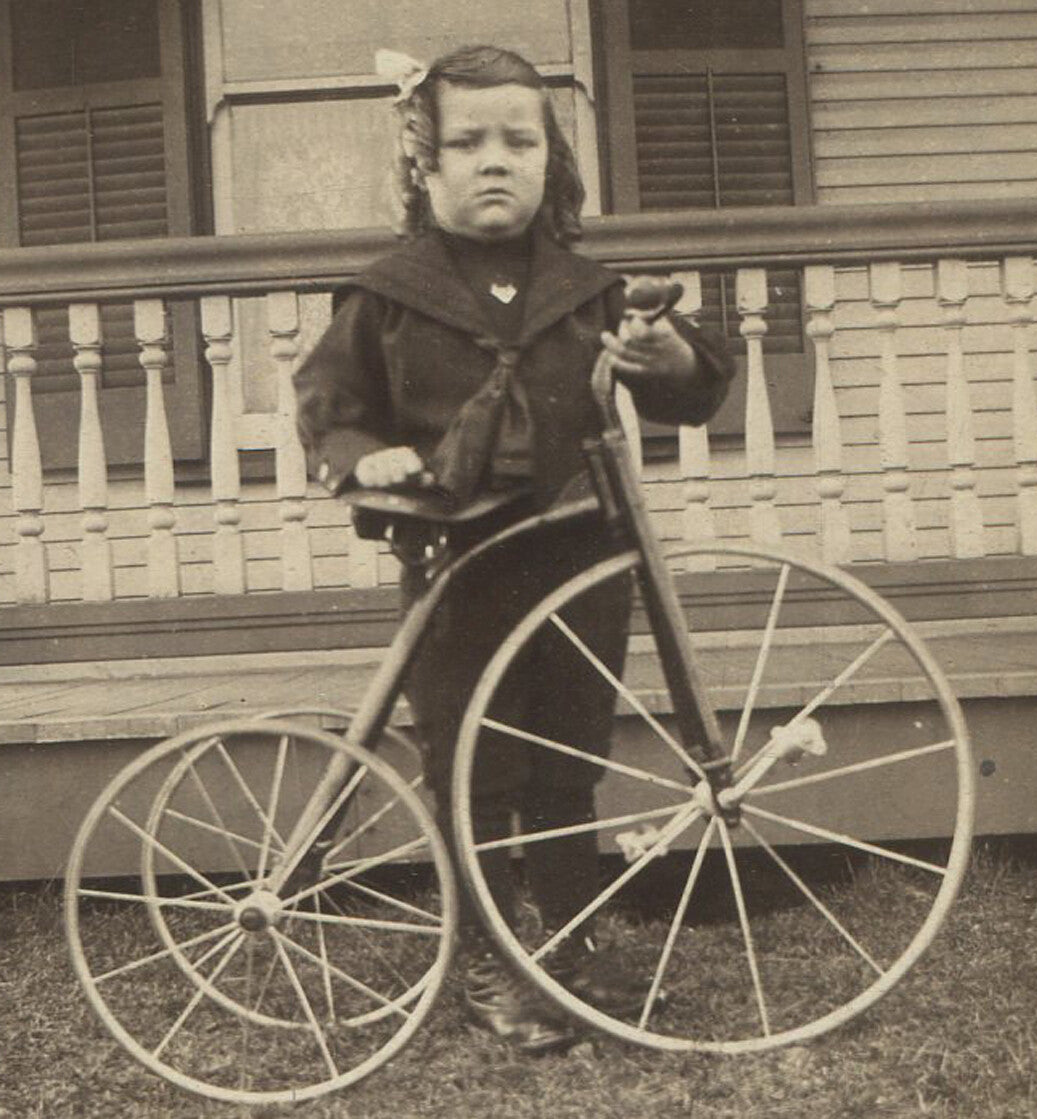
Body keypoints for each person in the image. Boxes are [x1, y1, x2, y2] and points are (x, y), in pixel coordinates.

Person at [294, 44, 734, 1054]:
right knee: (474, 767)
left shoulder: (588, 290)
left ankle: (568, 958)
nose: (495, 161)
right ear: (425, 163)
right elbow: (330, 405)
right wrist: (365, 462)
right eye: (468, 141)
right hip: (459, 565)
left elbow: (688, 384)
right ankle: (495, 963)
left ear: (551, 158)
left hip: (580, 551)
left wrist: (671, 358)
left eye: (519, 140)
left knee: (565, 759)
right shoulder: (388, 294)